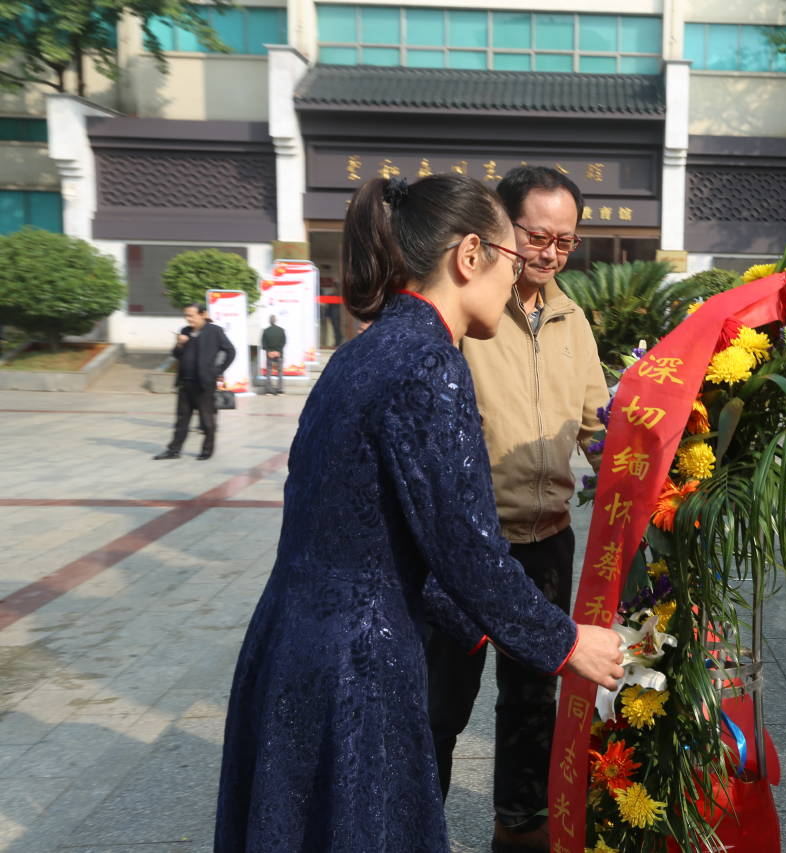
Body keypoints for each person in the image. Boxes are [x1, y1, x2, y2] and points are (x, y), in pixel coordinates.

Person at [214, 174, 625, 853]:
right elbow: (464, 545)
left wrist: (480, 625)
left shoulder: (364, 351)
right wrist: (568, 642)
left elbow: (385, 520)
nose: (522, 272)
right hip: (360, 657)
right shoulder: (432, 363)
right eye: (515, 253)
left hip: (295, 638)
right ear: (471, 255)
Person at [426, 166, 608, 853]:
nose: (551, 253)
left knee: (534, 700)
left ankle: (519, 828)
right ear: (501, 229)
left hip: (546, 541)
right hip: (466, 550)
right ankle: (417, 828)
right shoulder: (467, 312)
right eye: (537, 237)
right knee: (439, 702)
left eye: (565, 241)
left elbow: (599, 426)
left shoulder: (572, 320)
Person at [154, 303, 235, 461]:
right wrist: (179, 343)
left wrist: (218, 370)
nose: (188, 318)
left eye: (191, 315)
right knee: (181, 419)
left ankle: (207, 451)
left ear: (203, 314)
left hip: (204, 384)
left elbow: (230, 351)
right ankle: (174, 450)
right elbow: (176, 354)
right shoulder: (185, 331)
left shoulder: (214, 331)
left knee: (207, 420)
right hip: (185, 383)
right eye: (186, 315)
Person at [260, 315, 286, 395]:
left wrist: (269, 351)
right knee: (280, 372)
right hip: (279, 354)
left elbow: (263, 343)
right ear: (275, 320)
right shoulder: (281, 330)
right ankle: (280, 390)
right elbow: (283, 342)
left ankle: (268, 391)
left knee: (268, 372)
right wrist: (278, 351)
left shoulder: (265, 331)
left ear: (269, 321)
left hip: (269, 354)